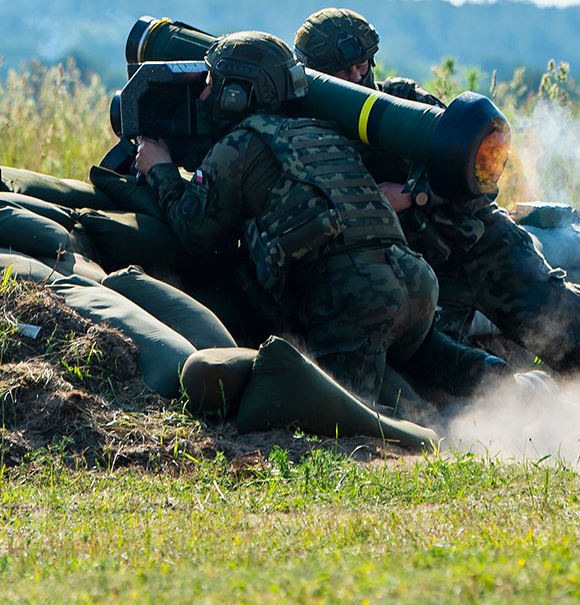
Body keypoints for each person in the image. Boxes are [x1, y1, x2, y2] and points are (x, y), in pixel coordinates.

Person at [292, 7, 580, 377]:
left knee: (567, 328)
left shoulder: (404, 104)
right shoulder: (310, 138)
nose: (355, 77)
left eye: (361, 66)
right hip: (416, 277)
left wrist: (411, 195)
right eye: (342, 71)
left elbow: (479, 177)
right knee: (445, 375)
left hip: (478, 246)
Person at [135, 30, 476, 405]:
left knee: (346, 413)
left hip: (355, 294)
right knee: (435, 360)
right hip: (415, 280)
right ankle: (514, 386)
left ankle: (443, 435)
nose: (203, 94)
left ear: (236, 94)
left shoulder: (238, 147)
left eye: (212, 82)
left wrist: (160, 170)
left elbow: (195, 233)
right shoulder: (322, 129)